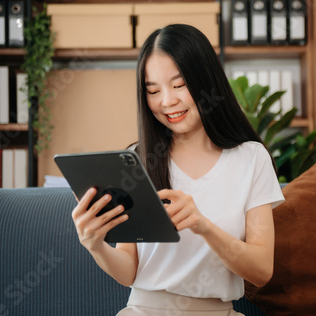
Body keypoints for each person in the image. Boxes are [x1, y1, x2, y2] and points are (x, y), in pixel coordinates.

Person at [71, 24, 284, 316]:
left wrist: (202, 225)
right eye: (153, 90)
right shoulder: (138, 159)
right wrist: (95, 245)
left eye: (179, 84)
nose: (166, 101)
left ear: (206, 80)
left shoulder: (251, 159)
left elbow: (261, 271)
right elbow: (129, 271)